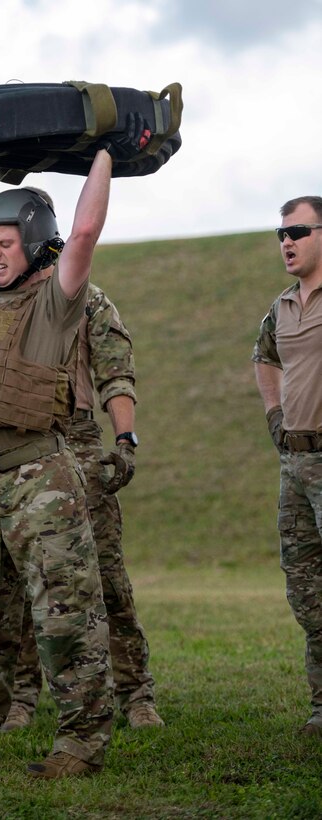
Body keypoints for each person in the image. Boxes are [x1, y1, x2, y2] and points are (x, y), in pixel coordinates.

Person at [0, 115, 152, 778]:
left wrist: (104, 154)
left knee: (64, 616)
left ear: (34, 242)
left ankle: (80, 741)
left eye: (7, 241)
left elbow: (85, 232)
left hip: (41, 476)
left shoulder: (58, 301)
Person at [0, 282, 164, 732]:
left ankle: (135, 693)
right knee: (12, 590)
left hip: (74, 444)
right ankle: (22, 697)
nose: (0, 249)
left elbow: (116, 374)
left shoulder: (87, 299)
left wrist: (125, 441)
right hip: (6, 448)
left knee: (104, 576)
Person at [253, 195, 322, 738]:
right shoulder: (281, 306)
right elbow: (265, 358)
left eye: (298, 230)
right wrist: (275, 416)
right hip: (294, 464)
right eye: (282, 233)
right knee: (307, 592)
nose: (286, 241)